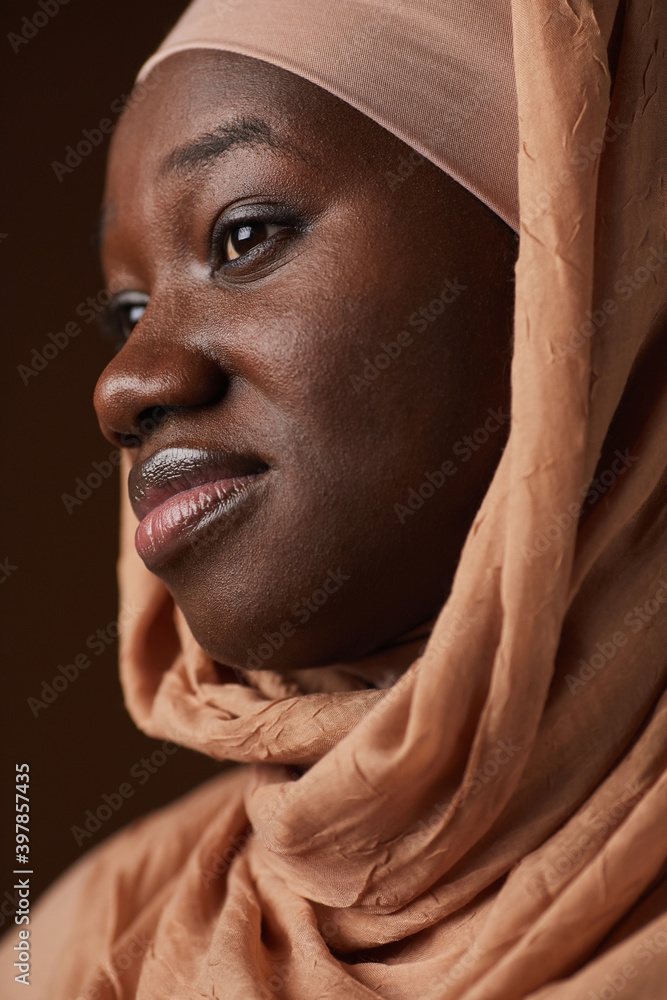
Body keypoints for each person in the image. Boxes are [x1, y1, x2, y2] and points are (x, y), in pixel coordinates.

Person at [4, 0, 667, 997]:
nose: (122, 388)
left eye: (242, 236)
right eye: (129, 312)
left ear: (574, 262)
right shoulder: (81, 949)